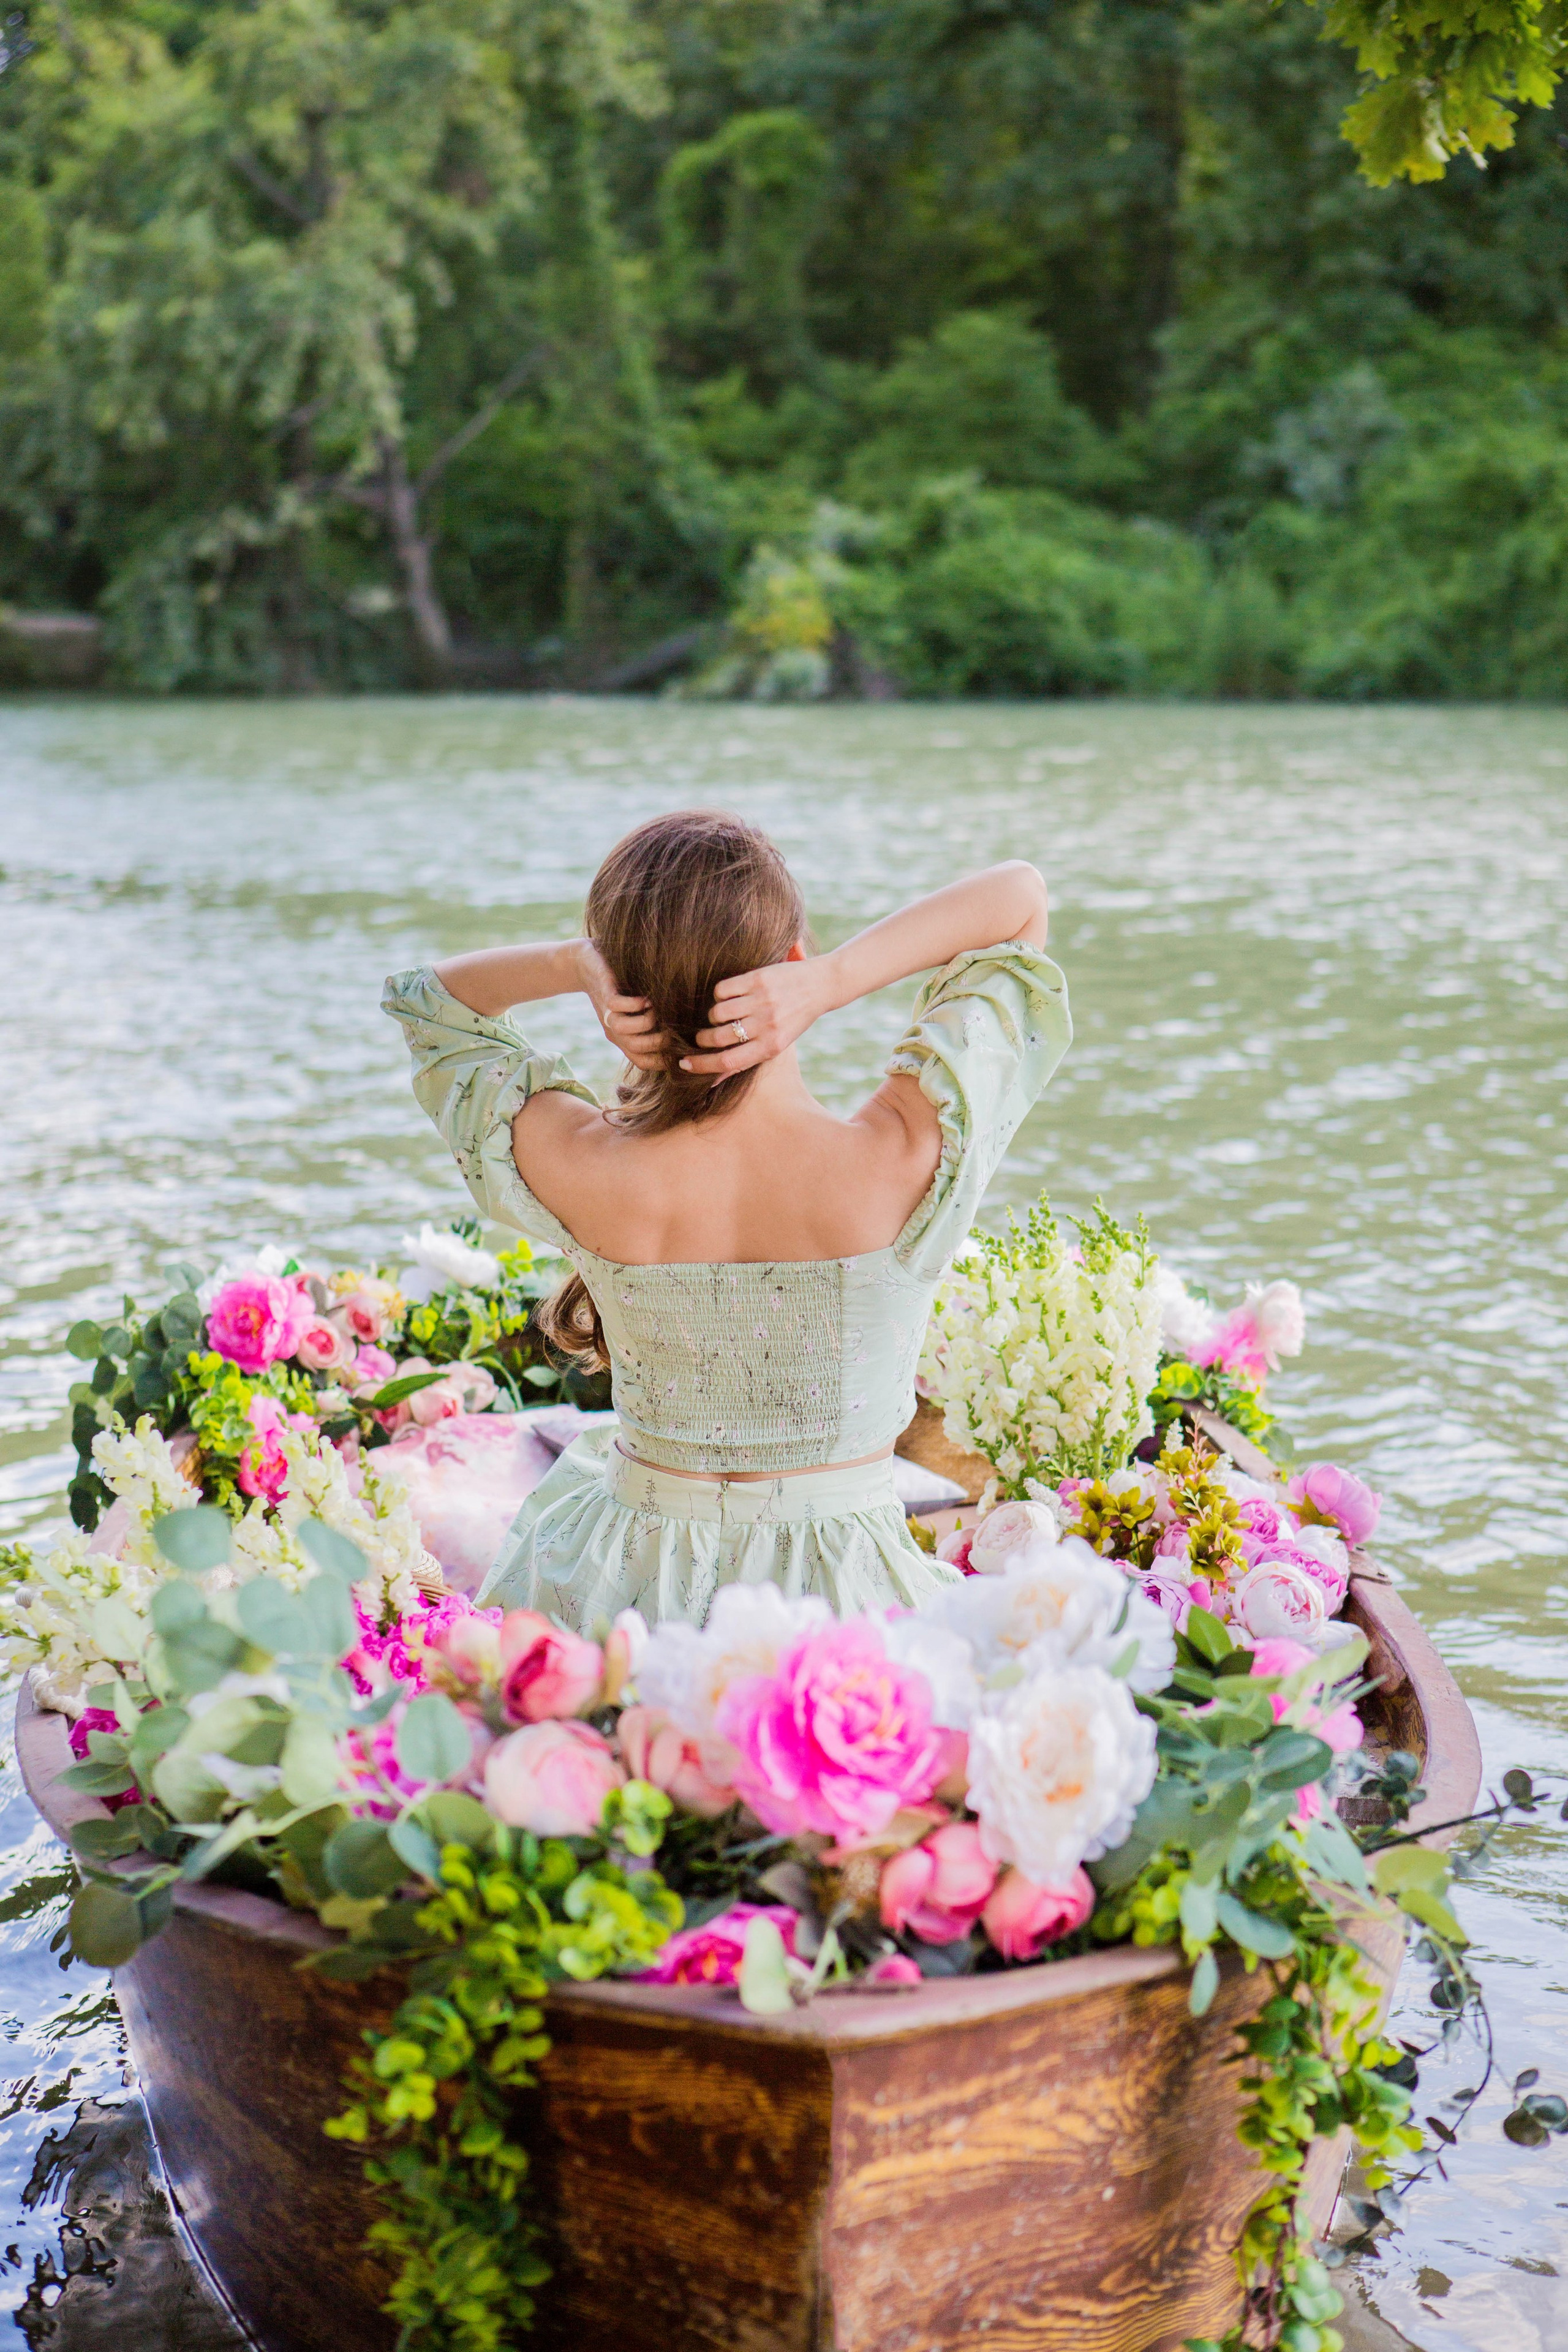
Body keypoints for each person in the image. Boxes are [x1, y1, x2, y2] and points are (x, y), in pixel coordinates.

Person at [382, 810, 1071, 1627]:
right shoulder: (905, 1155)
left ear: (623, 989)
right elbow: (1020, 900)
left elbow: (428, 1001)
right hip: (841, 1606)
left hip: (616, 1596)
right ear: (789, 964)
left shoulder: (579, 1165)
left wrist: (575, 966)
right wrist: (836, 981)